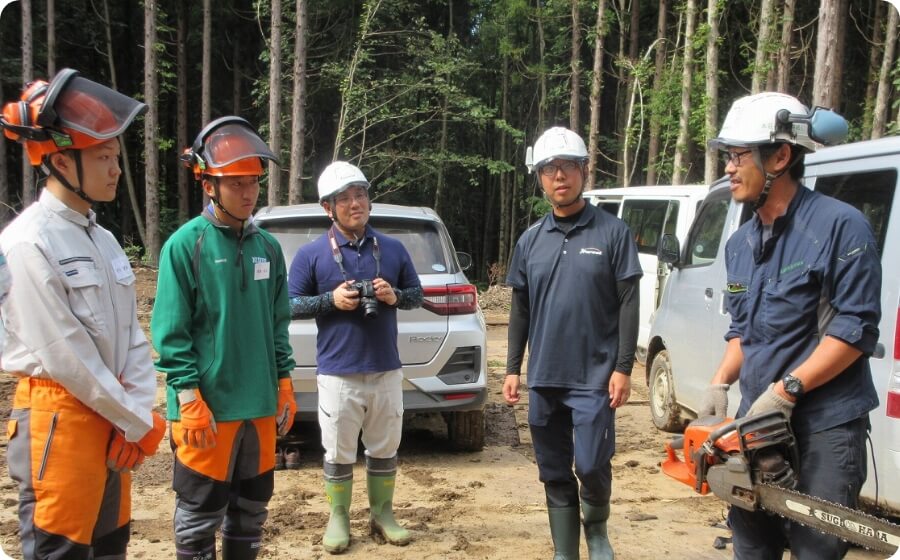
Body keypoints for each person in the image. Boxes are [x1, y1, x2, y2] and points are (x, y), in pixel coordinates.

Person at [698, 92, 881, 560]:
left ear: (780, 156)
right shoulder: (739, 243)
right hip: (757, 425)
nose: (729, 168)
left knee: (816, 549)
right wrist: (719, 386)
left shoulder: (842, 226)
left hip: (825, 427)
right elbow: (743, 331)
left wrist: (787, 391)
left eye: (739, 156)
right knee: (751, 545)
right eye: (728, 156)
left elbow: (855, 329)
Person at [0, 69, 167, 559]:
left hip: (111, 413)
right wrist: (136, 421)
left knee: (110, 543)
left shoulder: (105, 239)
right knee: (61, 549)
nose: (116, 168)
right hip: (61, 415)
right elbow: (65, 355)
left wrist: (136, 411)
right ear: (58, 160)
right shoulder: (27, 242)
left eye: (115, 155)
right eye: (103, 156)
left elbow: (131, 337)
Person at [151, 116, 297, 560]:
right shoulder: (185, 245)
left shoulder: (268, 248)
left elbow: (278, 324)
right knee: (199, 515)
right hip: (207, 411)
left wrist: (285, 382)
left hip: (257, 407)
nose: (249, 192)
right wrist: (188, 396)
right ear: (208, 184)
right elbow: (171, 333)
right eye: (236, 182)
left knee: (251, 512)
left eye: (253, 181)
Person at [503, 126, 642, 560]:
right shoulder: (530, 241)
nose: (559, 176)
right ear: (539, 177)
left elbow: (628, 304)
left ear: (585, 171)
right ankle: (566, 551)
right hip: (545, 376)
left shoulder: (612, 233)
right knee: (553, 470)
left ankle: (596, 532)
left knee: (592, 464)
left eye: (567, 167)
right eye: (549, 169)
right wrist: (512, 368)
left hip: (595, 378)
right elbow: (520, 310)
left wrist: (623, 367)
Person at [288, 161, 423, 554]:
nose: (355, 203)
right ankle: (339, 517)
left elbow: (416, 295)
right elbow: (291, 305)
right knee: (338, 450)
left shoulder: (393, 249)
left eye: (360, 194)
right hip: (338, 372)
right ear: (327, 207)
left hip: (385, 369)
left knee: (385, 447)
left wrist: (394, 296)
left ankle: (383, 514)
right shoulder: (312, 254)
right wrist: (330, 301)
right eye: (344, 198)